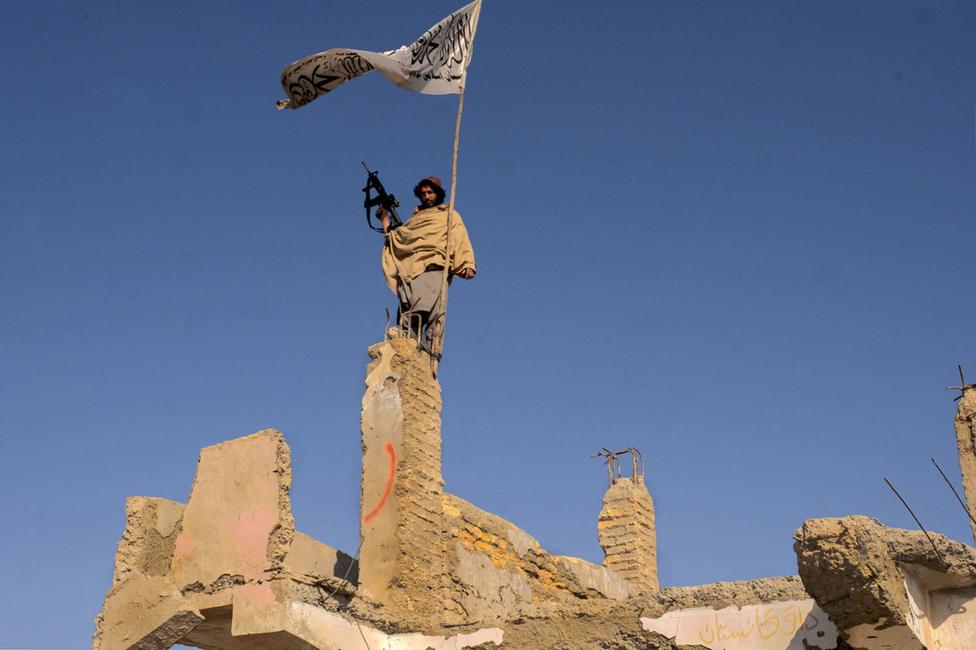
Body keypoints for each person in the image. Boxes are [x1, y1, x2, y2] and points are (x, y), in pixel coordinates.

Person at [377, 176, 476, 354]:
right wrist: (384, 219)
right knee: (409, 317)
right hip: (410, 271)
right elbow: (400, 238)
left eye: (430, 192)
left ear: (437, 194)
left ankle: (429, 355)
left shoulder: (447, 214)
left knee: (431, 314)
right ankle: (408, 353)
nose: (426, 196)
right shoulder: (414, 220)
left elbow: (460, 238)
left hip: (434, 267)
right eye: (423, 193)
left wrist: (466, 263)